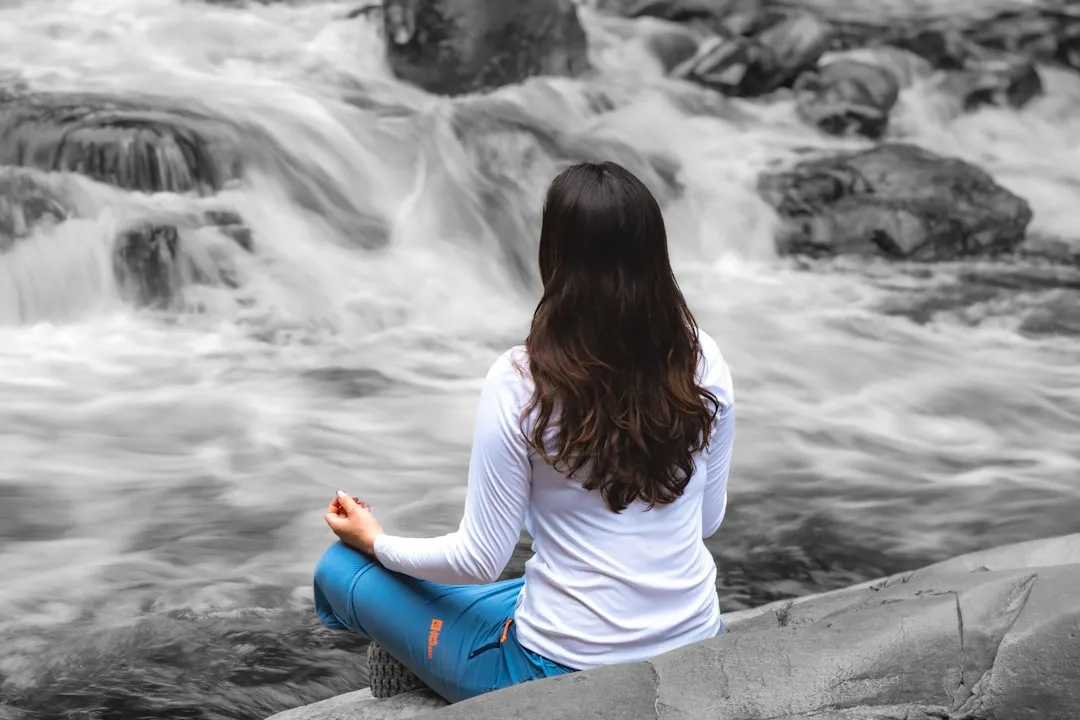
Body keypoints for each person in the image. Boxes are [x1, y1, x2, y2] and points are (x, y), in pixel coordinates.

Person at [313, 160, 736, 704]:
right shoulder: (702, 358)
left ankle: (413, 659)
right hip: (696, 636)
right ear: (656, 254)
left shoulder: (522, 381)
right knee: (522, 583)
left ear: (554, 257)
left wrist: (375, 541)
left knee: (342, 568)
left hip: (551, 669)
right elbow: (706, 521)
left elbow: (478, 561)